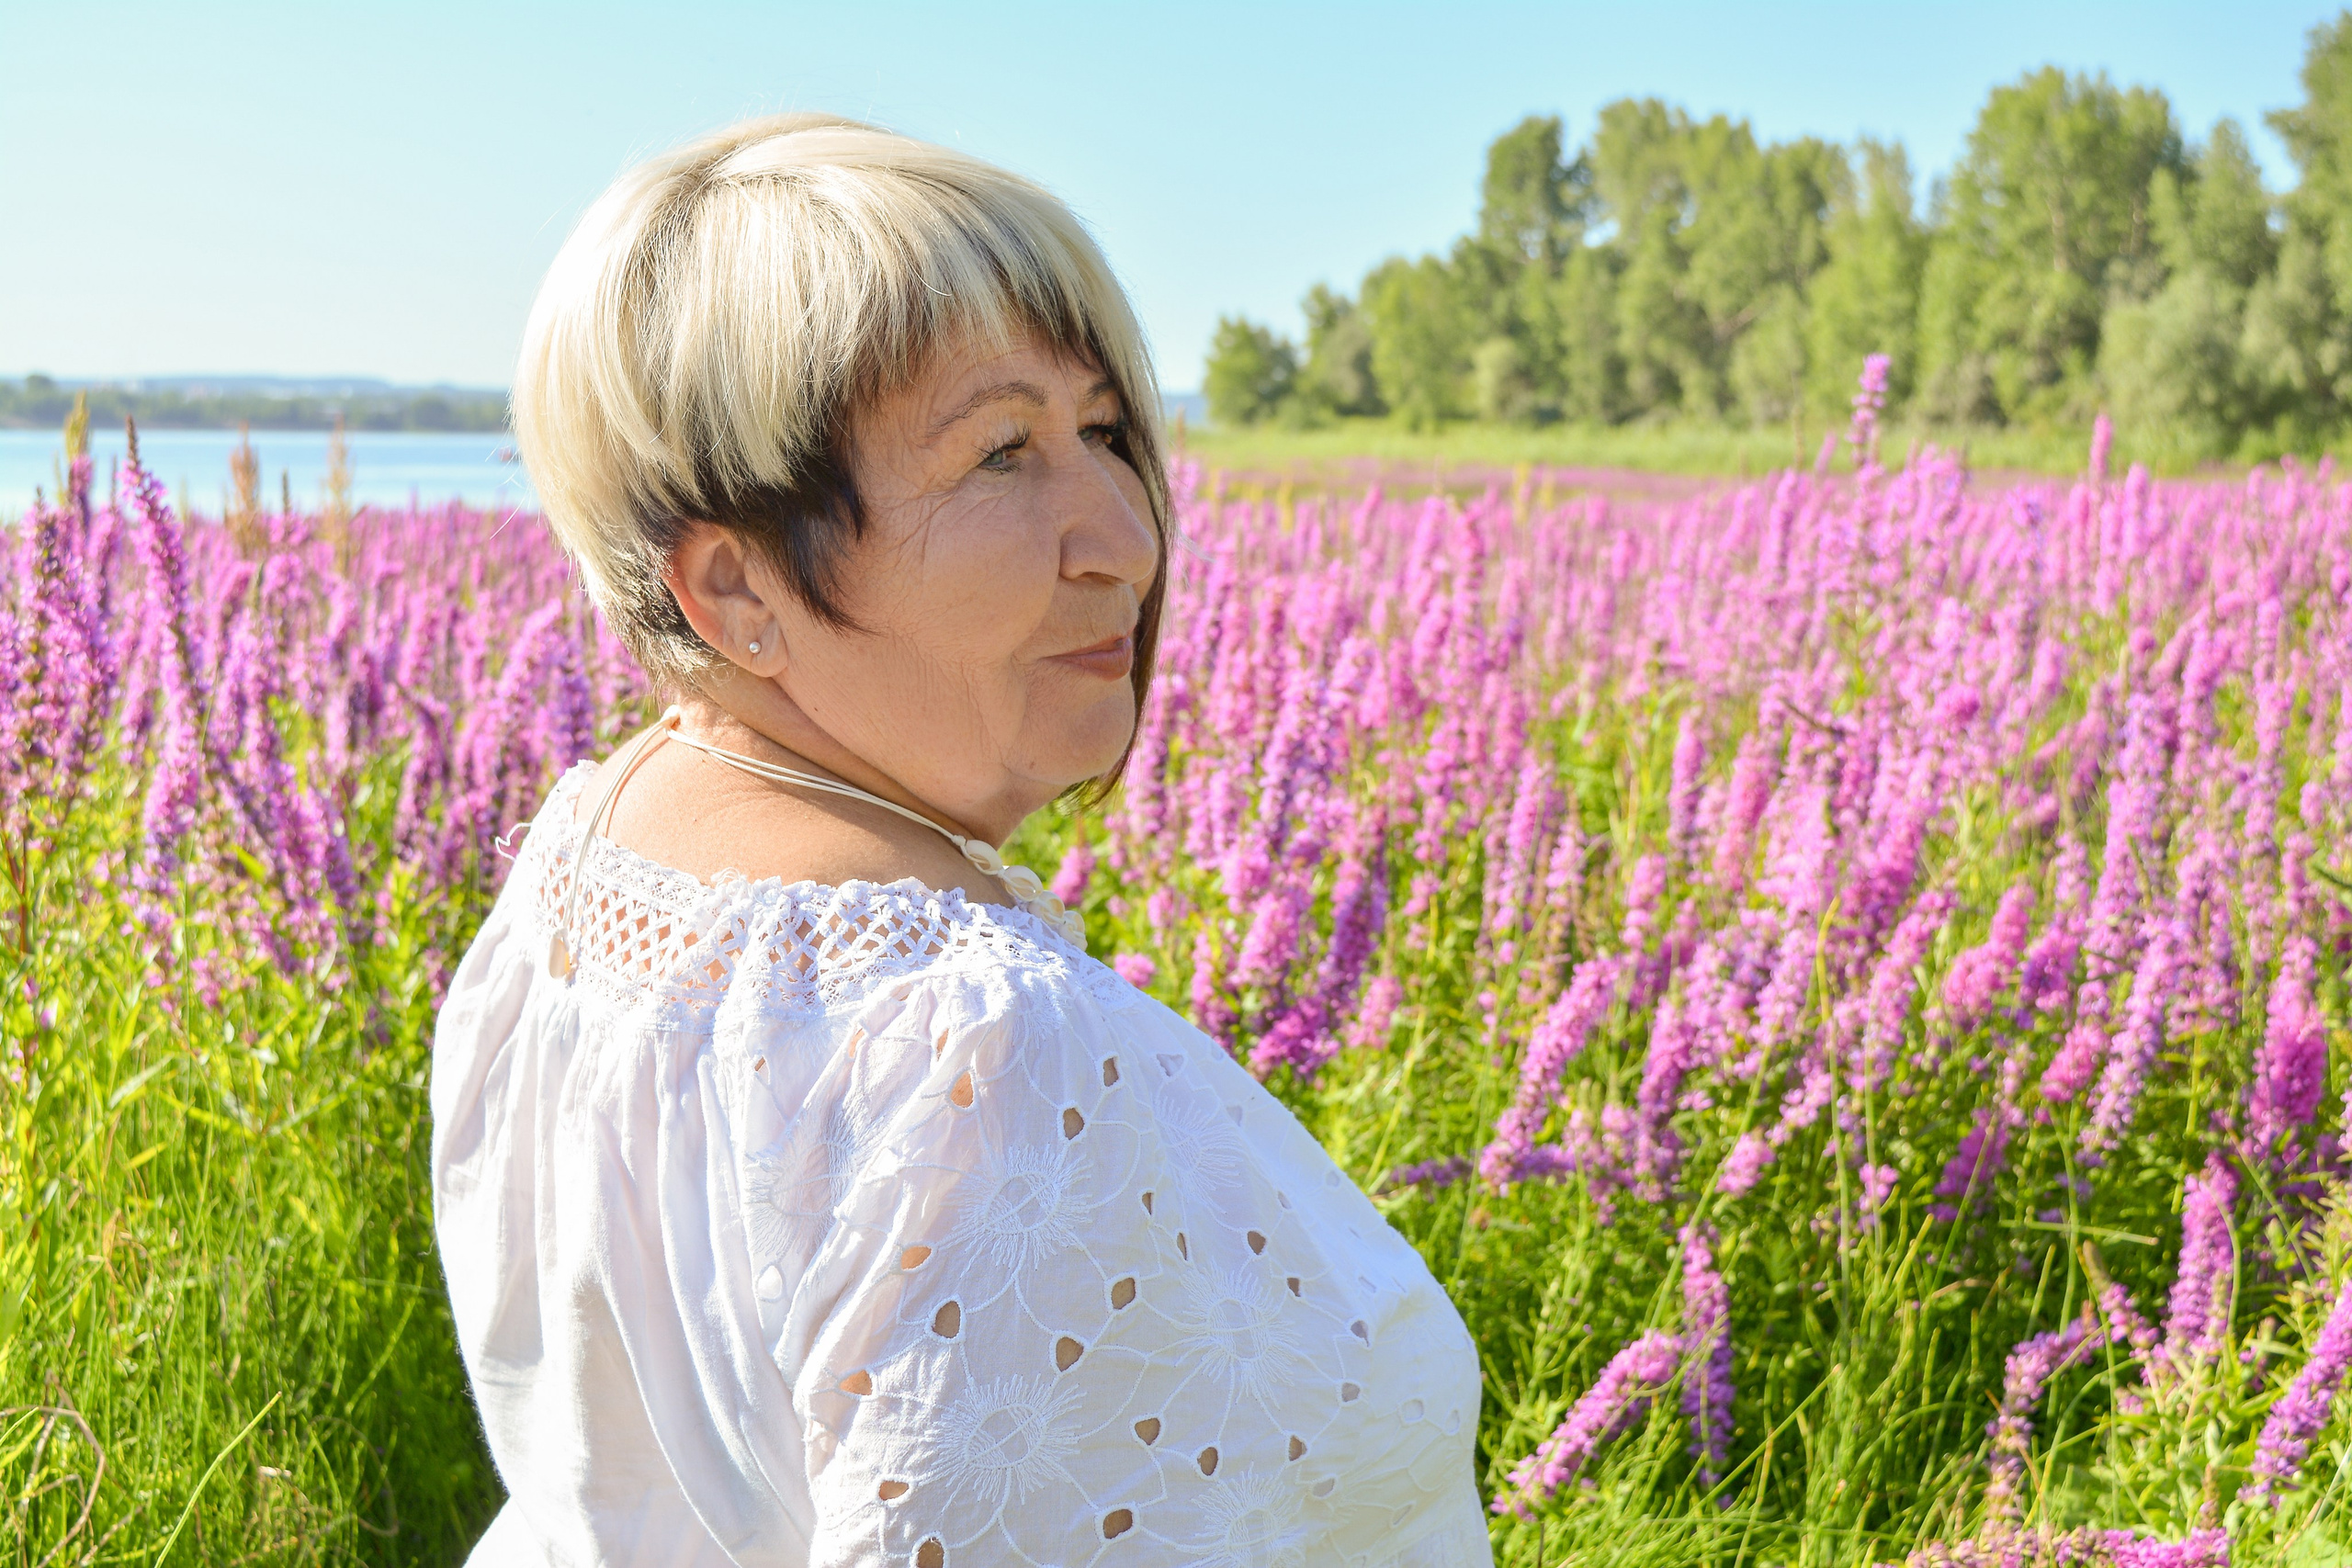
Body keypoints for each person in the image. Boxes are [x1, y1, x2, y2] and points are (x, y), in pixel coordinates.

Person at [431, 113, 1491, 1567]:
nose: (1124, 533)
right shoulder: (979, 1048)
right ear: (737, 587)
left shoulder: (588, 870)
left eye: (1107, 432)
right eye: (1001, 453)